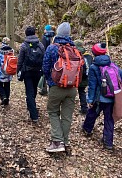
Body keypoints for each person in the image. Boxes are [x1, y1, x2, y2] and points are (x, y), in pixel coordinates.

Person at [43, 22, 77, 152]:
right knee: (67, 116)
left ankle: (57, 142)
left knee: (53, 112)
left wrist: (49, 80)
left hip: (56, 86)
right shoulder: (75, 49)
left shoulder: (52, 48)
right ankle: (65, 141)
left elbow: (45, 67)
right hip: (72, 87)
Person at [82, 42, 122, 150]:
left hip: (100, 99)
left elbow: (92, 85)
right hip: (112, 98)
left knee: (92, 113)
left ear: (94, 53)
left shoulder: (94, 67)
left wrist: (90, 99)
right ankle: (108, 142)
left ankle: (87, 129)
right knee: (109, 119)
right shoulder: (113, 65)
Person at [17, 26, 45, 123]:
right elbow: (44, 58)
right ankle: (31, 106)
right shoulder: (40, 45)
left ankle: (33, 115)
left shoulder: (24, 45)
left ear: (26, 34)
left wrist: (18, 71)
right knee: (34, 90)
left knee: (29, 91)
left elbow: (20, 60)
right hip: (38, 71)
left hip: (27, 72)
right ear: (34, 33)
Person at [0, 37, 13, 106]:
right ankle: (6, 100)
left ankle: (3, 97)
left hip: (1, 73)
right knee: (7, 85)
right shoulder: (11, 51)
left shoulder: (0, 52)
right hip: (9, 72)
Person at [74, 40, 93, 114]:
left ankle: (82, 108)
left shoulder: (75, 55)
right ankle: (84, 108)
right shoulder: (89, 56)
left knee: (74, 92)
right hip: (87, 77)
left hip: (77, 77)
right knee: (82, 92)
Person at [39, 24, 55, 95]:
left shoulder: (44, 37)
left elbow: (43, 48)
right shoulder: (54, 36)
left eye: (45, 29)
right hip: (54, 56)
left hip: (46, 56)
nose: (44, 30)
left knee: (45, 73)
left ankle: (44, 89)